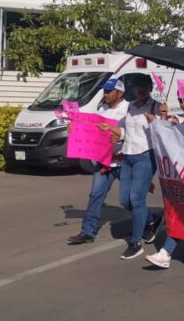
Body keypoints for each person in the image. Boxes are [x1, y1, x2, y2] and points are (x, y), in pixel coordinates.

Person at [98, 75, 163, 260]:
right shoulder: (131, 106)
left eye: (143, 86)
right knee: (125, 200)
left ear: (150, 87)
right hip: (128, 156)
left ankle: (136, 243)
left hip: (145, 156)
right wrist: (114, 132)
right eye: (136, 87)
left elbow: (166, 131)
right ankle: (151, 219)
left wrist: (159, 119)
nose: (140, 89)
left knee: (136, 199)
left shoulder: (157, 107)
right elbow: (128, 131)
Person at [145, 87, 184, 268]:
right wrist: (161, 120)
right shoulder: (177, 119)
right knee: (182, 213)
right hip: (179, 177)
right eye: (181, 100)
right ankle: (169, 252)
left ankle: (172, 251)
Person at [67, 79, 129, 245]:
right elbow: (90, 132)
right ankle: (87, 232)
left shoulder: (129, 109)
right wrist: (74, 129)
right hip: (104, 162)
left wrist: (122, 136)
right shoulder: (102, 109)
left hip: (125, 162)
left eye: (109, 91)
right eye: (105, 91)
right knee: (95, 195)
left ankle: (149, 220)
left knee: (130, 199)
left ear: (120, 93)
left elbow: (136, 133)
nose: (105, 94)